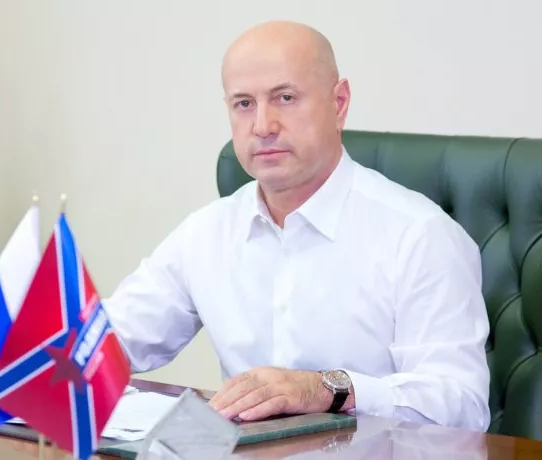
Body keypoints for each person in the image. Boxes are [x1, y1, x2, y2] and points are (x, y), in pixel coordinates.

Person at [104, 20, 491, 431]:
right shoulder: (206, 233)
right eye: (243, 104)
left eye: (285, 98)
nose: (262, 126)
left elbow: (462, 406)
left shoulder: (420, 235)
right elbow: (103, 346)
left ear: (339, 103)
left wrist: (327, 390)